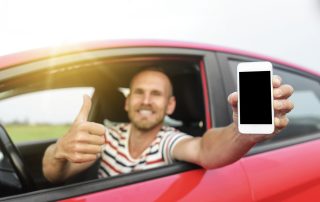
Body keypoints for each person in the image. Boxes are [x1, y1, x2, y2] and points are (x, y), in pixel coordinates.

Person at [42, 69, 294, 183]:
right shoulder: (107, 135)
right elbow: (55, 174)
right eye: (139, 92)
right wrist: (60, 149)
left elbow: (205, 149)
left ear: (170, 105)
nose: (147, 101)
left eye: (156, 94)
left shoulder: (169, 140)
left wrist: (241, 132)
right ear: (128, 102)